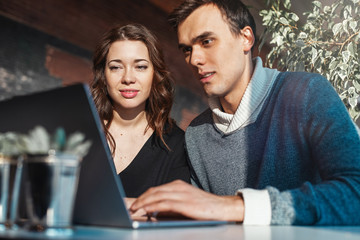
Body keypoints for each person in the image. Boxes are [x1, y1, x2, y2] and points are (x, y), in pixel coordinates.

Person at [130, 0, 360, 225]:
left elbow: (355, 191)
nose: (194, 59)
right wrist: (134, 207)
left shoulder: (307, 92)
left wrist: (236, 205)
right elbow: (201, 216)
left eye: (207, 41)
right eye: (187, 50)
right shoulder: (197, 133)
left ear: (246, 38)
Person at [91, 23, 190, 198]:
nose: (128, 78)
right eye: (116, 67)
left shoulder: (177, 144)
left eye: (140, 67)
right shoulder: (81, 133)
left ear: (155, 74)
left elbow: (175, 214)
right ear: (103, 75)